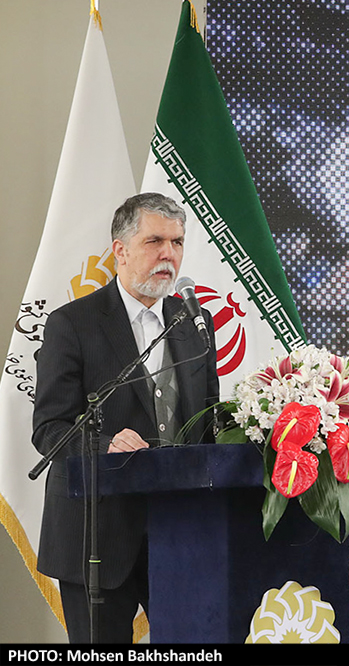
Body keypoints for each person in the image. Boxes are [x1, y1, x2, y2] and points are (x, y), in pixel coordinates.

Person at [31, 192, 219, 643]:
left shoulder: (195, 323)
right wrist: (105, 444)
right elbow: (49, 429)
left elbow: (208, 424)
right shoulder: (72, 324)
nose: (168, 254)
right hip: (97, 537)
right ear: (121, 250)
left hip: (180, 534)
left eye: (177, 242)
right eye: (155, 241)